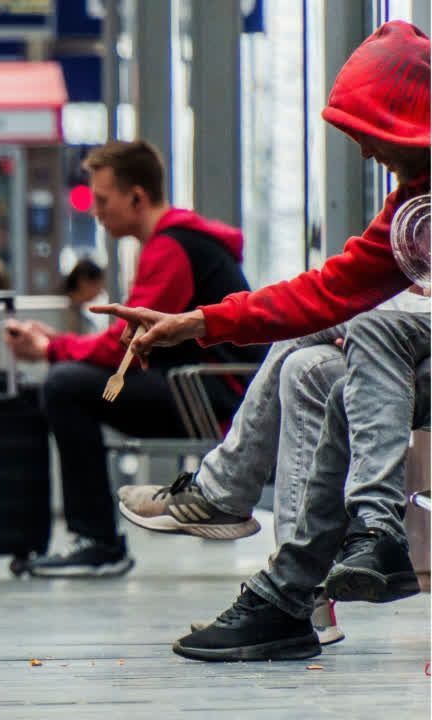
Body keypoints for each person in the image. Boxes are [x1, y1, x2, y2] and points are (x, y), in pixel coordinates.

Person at [96, 20, 429, 661]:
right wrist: (193, 323)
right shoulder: (413, 204)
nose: (365, 154)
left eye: (370, 135)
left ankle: (375, 528)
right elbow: (321, 292)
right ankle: (291, 599)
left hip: (409, 345)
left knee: (369, 323)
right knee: (309, 367)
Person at [2, 139, 265, 578]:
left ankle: (98, 541)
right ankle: (96, 539)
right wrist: (60, 346)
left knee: (65, 386)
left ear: (137, 197)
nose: (95, 211)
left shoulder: (170, 248)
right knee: (69, 379)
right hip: (206, 389)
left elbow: (125, 344)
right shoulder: (181, 243)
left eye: (103, 200)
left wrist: (52, 349)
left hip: (209, 397)